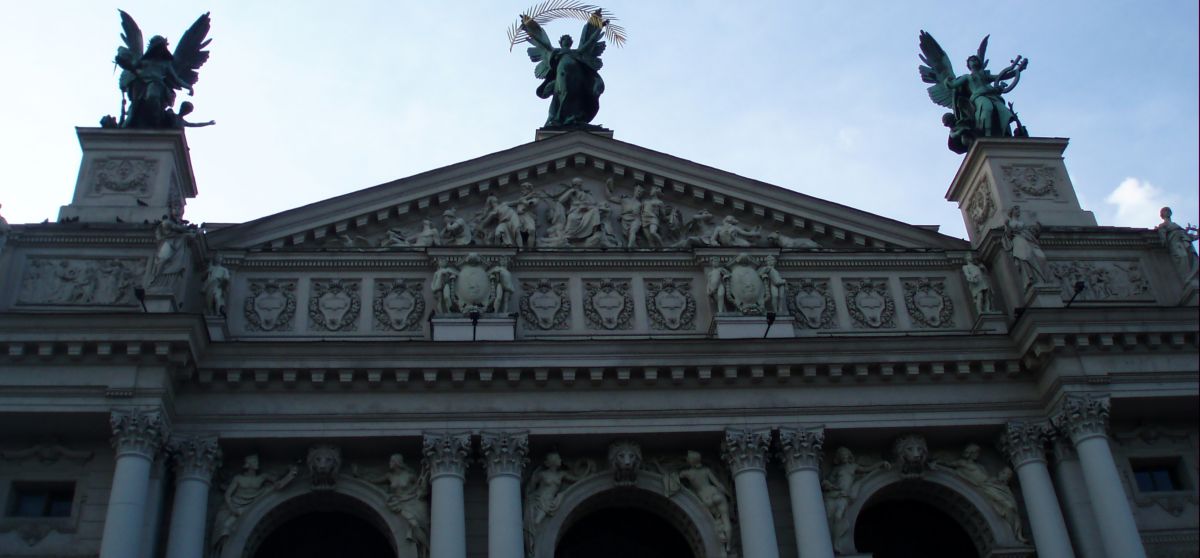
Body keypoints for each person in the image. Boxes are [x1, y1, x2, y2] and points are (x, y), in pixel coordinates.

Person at [520, 11, 607, 127]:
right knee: (563, 94)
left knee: (576, 95)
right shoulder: (556, 52)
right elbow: (543, 43)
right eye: (565, 39)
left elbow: (590, 42)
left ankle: (574, 117)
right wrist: (528, 29)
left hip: (577, 76)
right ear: (560, 43)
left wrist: (600, 27)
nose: (567, 40)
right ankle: (558, 118)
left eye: (568, 39)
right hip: (563, 75)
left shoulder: (577, 53)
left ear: (571, 42)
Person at [355, 454, 429, 558]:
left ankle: (428, 547)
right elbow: (374, 480)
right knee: (413, 523)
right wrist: (359, 475)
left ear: (397, 462)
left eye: (392, 461)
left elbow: (419, 487)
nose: (390, 463)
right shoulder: (389, 476)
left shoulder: (410, 475)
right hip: (397, 504)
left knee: (416, 525)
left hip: (411, 502)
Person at [1001, 205, 1049, 286]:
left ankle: (1042, 277)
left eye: (1019, 210)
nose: (1018, 211)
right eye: (1016, 210)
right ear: (1012, 212)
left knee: (1041, 257)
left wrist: (1037, 229)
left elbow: (1031, 233)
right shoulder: (1010, 223)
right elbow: (1008, 235)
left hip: (1028, 240)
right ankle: (1031, 277)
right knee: (1025, 257)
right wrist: (1007, 226)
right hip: (1018, 241)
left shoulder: (1022, 223)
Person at [1156, 206, 1198, 277]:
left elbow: (1187, 236)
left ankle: (1193, 276)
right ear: (1162, 215)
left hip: (1185, 243)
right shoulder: (1162, 225)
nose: (1167, 212)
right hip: (1175, 244)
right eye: (1165, 211)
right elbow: (1163, 238)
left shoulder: (1176, 225)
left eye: (1168, 211)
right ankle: (1188, 277)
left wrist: (1196, 234)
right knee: (1183, 257)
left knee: (1193, 258)